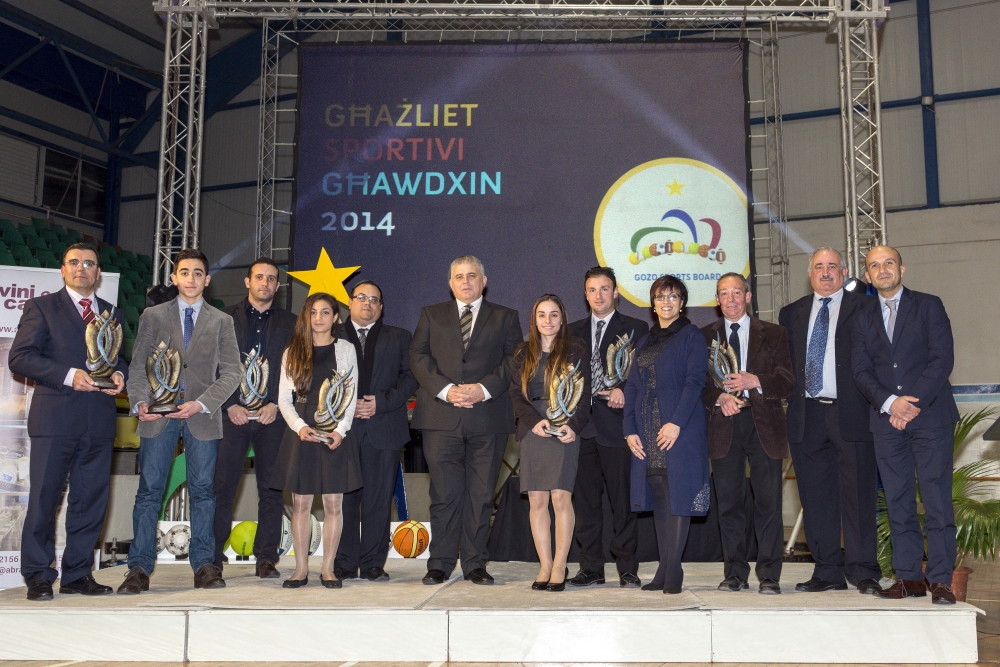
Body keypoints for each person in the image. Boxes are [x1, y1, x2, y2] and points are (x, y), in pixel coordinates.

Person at [9, 243, 128, 601]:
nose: (81, 268)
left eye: (89, 263)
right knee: (45, 499)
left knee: (90, 501)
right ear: (63, 270)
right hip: (55, 419)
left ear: (98, 273)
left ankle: (78, 574)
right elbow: (20, 358)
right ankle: (39, 575)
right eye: (74, 263)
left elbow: (119, 360)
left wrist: (121, 376)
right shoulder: (42, 307)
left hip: (99, 421)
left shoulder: (112, 313)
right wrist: (68, 374)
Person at [119, 248, 242, 594]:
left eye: (198, 273)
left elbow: (233, 373)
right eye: (184, 272)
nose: (191, 278)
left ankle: (205, 565)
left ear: (207, 279)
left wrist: (201, 404)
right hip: (158, 416)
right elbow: (138, 366)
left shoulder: (222, 321)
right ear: (174, 278)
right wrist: (141, 401)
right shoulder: (152, 316)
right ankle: (139, 569)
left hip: (201, 417)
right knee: (149, 492)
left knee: (204, 492)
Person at [852, 245, 960, 605]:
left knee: (936, 500)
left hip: (931, 418)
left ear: (902, 268)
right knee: (897, 502)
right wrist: (889, 404)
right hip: (886, 422)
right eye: (874, 266)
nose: (882, 270)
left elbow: (942, 358)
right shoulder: (863, 318)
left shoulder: (929, 305)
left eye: (888, 263)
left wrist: (910, 404)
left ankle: (941, 579)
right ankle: (909, 578)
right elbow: (861, 371)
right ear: (867, 277)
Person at [410, 255, 522, 585]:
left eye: (472, 275)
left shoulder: (506, 317)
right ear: (450, 283)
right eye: (459, 276)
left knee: (481, 494)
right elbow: (417, 357)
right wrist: (446, 390)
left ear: (484, 281)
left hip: (487, 418)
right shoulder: (431, 315)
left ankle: (475, 563)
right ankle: (440, 562)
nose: (466, 281)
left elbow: (514, 360)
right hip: (440, 418)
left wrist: (482, 390)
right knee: (444, 495)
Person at [778, 248, 881, 595]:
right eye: (819, 267)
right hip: (806, 416)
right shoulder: (790, 313)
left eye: (832, 267)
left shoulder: (866, 308)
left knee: (859, 496)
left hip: (851, 413)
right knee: (815, 498)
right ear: (809, 273)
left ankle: (863, 570)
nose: (825, 273)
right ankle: (827, 571)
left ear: (845, 271)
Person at [701, 273, 794, 594]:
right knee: (729, 505)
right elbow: (697, 387)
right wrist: (718, 397)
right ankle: (735, 574)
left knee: (768, 503)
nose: (730, 299)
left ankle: (769, 575)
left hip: (764, 426)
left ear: (748, 296)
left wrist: (756, 381)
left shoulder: (775, 334)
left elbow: (788, 381)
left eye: (736, 292)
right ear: (717, 300)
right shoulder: (703, 337)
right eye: (723, 293)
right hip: (724, 428)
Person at [623, 276, 709, 594]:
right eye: (660, 296)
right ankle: (664, 568)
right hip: (648, 432)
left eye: (673, 296)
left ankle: (674, 571)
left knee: (678, 498)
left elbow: (695, 381)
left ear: (682, 303)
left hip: (680, 432)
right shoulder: (644, 341)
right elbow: (632, 387)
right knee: (660, 498)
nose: (667, 301)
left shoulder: (691, 336)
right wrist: (629, 430)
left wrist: (676, 423)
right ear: (653, 303)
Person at [212, 258, 296, 579]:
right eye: (259, 277)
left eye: (272, 279)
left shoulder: (292, 322)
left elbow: (295, 369)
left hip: (271, 417)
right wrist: (229, 403)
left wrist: (276, 402)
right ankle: (213, 558)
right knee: (222, 486)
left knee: (271, 490)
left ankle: (266, 559)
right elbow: (215, 365)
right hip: (231, 415)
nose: (265, 283)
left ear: (277, 286)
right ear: (248, 282)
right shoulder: (223, 319)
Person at [272, 293, 360, 588]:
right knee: (301, 505)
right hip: (302, 431)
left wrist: (341, 430)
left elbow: (351, 396)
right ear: (305, 317)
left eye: (325, 312)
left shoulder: (346, 349)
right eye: (313, 312)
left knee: (334, 504)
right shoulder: (293, 351)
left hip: (334, 432)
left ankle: (328, 569)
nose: (318, 318)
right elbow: (284, 399)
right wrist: (299, 427)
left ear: (336, 317)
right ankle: (300, 570)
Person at [567, 267, 649, 588]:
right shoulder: (571, 332)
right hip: (581, 428)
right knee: (585, 503)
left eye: (604, 289)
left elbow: (644, 376)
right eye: (592, 289)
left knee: (623, 503)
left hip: (618, 429)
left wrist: (624, 390)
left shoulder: (637, 328)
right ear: (585, 294)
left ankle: (627, 568)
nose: (598, 295)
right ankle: (591, 568)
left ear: (616, 292)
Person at [334, 280, 418, 582]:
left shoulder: (400, 337)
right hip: (341, 430)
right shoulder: (331, 336)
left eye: (374, 299)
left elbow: (411, 379)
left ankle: (372, 563)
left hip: (385, 428)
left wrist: (380, 403)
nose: (368, 303)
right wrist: (346, 404)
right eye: (361, 297)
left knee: (379, 498)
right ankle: (343, 562)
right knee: (343, 499)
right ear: (349, 303)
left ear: (381, 307)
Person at [509, 294, 591, 591]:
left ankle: (560, 564)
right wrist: (534, 421)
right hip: (535, 427)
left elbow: (585, 395)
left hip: (564, 427)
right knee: (537, 500)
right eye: (542, 315)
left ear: (563, 318)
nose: (548, 321)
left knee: (560, 498)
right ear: (534, 320)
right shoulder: (523, 352)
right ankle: (544, 564)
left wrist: (573, 426)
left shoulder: (576, 348)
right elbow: (516, 395)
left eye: (554, 315)